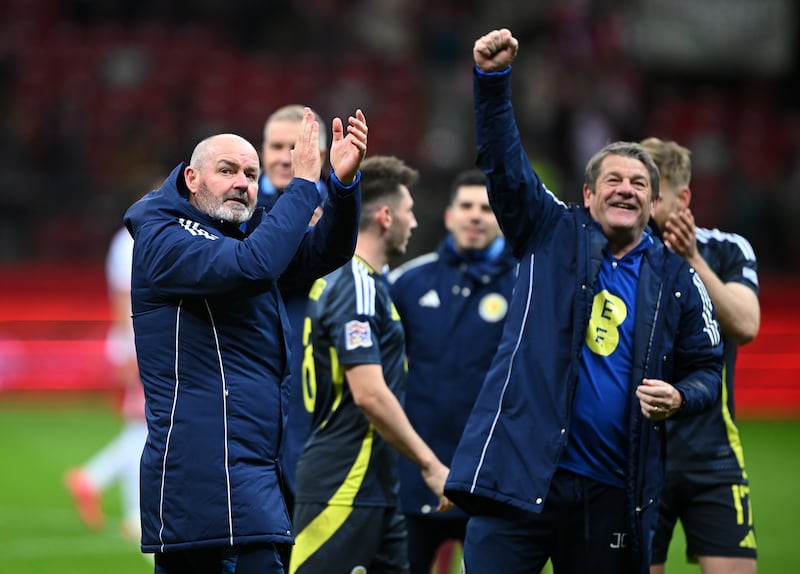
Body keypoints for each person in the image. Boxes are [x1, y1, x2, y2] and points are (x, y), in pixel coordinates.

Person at [443, 29, 724, 574]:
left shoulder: (678, 279)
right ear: (588, 194)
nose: (626, 188)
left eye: (639, 183)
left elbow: (708, 369)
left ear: (654, 200)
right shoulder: (549, 231)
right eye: (612, 179)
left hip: (612, 490)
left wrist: (681, 396)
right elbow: (503, 161)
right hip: (517, 477)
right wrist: (494, 83)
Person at [124, 107, 368, 574]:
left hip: (250, 463)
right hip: (201, 467)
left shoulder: (244, 232)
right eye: (228, 171)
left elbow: (327, 250)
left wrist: (339, 184)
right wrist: (302, 184)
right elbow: (252, 266)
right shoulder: (163, 236)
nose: (243, 183)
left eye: (252, 175)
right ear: (192, 178)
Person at [290, 155, 453, 574]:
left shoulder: (355, 282)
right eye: (409, 211)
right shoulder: (357, 283)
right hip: (343, 487)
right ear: (385, 216)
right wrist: (430, 465)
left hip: (374, 487)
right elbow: (368, 393)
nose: (414, 223)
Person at [386, 168, 517, 574]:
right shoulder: (408, 282)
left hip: (491, 476)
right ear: (449, 216)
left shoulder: (524, 285)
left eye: (486, 208)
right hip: (416, 476)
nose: (475, 216)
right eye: (466, 206)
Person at [641, 137, 759, 574]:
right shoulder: (615, 257)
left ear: (682, 197)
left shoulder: (727, 249)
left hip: (710, 452)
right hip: (635, 454)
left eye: (652, 192)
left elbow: (746, 326)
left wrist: (692, 259)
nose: (639, 200)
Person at [258, 104, 329, 517]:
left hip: (324, 357)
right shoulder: (237, 207)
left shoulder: (342, 206)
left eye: (296, 146)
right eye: (277, 146)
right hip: (260, 355)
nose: (285, 157)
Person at [65, 225, 148, 542]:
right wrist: (129, 348)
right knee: (145, 427)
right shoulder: (132, 241)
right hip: (138, 342)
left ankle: (94, 481)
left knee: (140, 427)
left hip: (135, 340)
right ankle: (128, 509)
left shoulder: (125, 240)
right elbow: (123, 296)